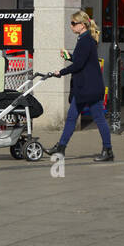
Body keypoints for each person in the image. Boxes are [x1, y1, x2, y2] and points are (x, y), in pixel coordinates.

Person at [47, 10, 113, 163]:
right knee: (71, 118)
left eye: (73, 23)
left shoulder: (85, 41)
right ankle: (61, 148)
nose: (71, 26)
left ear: (82, 25)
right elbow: (80, 60)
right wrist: (69, 56)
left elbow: (78, 65)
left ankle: (108, 150)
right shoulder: (84, 39)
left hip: (89, 89)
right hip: (85, 88)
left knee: (99, 119)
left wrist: (60, 72)